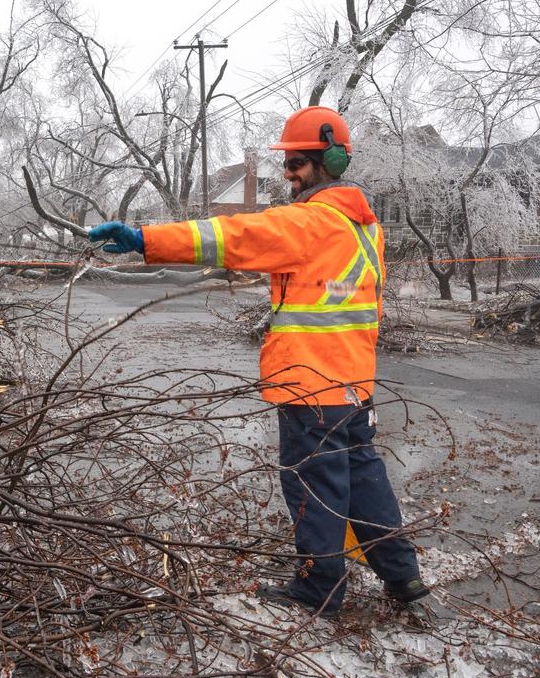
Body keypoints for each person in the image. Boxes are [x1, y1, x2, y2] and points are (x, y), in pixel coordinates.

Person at [89, 106, 428, 618]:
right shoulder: (367, 228)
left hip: (309, 383)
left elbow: (227, 237)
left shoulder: (309, 222)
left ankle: (320, 589)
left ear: (325, 160)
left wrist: (144, 239)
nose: (287, 173)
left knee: (315, 485)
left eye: (294, 162)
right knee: (362, 478)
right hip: (353, 384)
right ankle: (404, 576)